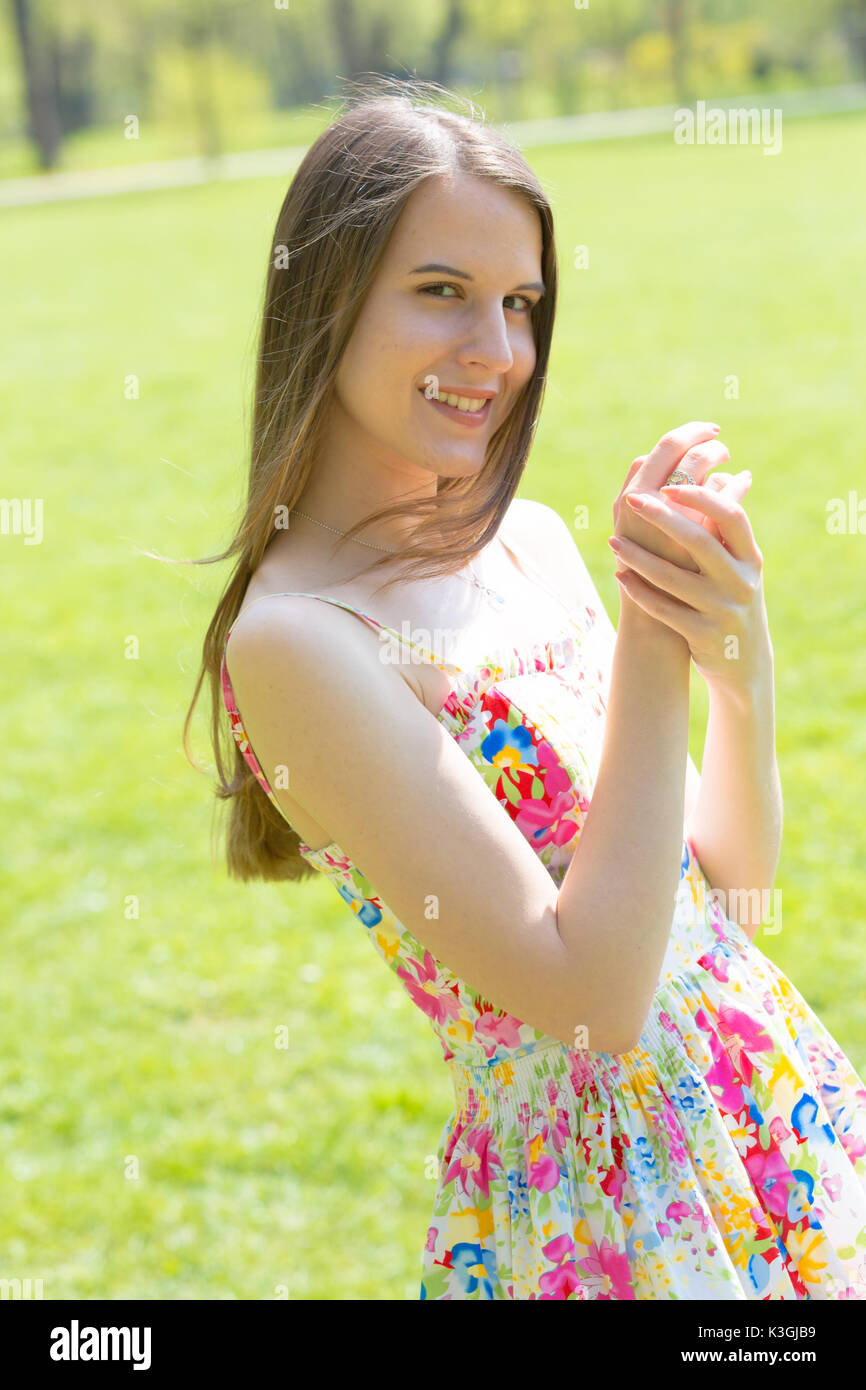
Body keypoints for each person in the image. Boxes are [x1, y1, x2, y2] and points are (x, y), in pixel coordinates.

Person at [184, 77, 866, 1300]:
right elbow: (590, 995)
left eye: (519, 304)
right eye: (440, 293)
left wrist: (741, 668)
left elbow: (727, 902)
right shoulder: (295, 641)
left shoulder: (535, 543)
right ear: (326, 298)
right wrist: (657, 651)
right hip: (604, 1209)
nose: (495, 354)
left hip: (770, 1116)